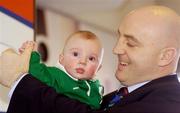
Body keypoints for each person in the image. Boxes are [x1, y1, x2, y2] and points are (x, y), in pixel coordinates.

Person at [1, 5, 180, 113]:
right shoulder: (118, 95)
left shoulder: (170, 104)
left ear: (165, 56)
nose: (116, 49)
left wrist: (19, 79)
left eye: (131, 43)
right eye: (119, 38)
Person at [4, 30, 104, 109]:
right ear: (62, 59)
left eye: (91, 58)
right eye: (75, 54)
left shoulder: (97, 88)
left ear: (98, 68)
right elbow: (38, 72)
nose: (82, 61)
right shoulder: (57, 76)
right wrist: (32, 55)